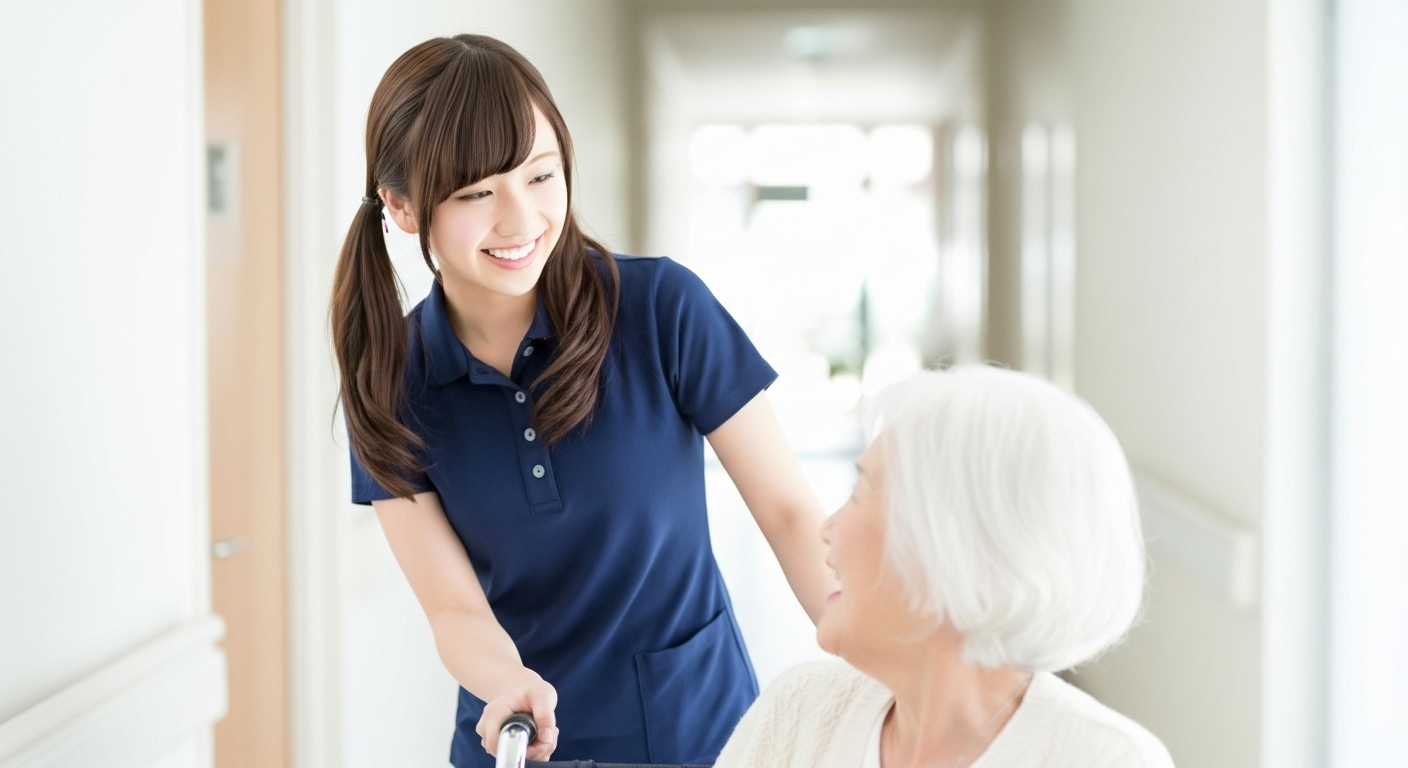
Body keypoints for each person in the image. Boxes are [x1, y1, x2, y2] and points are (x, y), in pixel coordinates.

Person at [329, 34, 833, 768]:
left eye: (540, 176)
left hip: (699, 737)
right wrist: (508, 685)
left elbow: (790, 514)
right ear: (402, 208)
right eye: (477, 193)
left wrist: (888, 662)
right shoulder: (389, 382)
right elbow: (453, 606)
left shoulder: (661, 309)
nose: (520, 219)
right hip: (516, 744)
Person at [715, 366, 1175, 768]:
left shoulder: (1108, 759)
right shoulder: (797, 714)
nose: (827, 529)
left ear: (950, 544)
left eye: (860, 492)